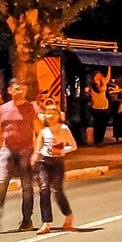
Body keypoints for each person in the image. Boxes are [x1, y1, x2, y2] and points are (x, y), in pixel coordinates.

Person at [0, 78, 41, 234]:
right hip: (7, 150)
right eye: (16, 88)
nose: (19, 91)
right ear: (10, 90)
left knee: (27, 187)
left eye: (22, 88)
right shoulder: (3, 109)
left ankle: (27, 220)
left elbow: (39, 132)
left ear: (25, 90)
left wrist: (37, 153)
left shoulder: (32, 108)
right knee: (0, 185)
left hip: (26, 150)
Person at [34, 99, 77, 234]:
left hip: (57, 162)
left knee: (57, 190)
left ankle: (68, 214)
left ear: (59, 115)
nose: (51, 116)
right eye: (48, 113)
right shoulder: (44, 130)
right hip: (44, 162)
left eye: (53, 113)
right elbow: (39, 147)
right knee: (44, 189)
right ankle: (46, 223)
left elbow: (73, 146)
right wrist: (36, 155)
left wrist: (62, 151)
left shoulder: (63, 129)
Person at [88, 68, 110, 146]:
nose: (99, 77)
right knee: (97, 124)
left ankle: (100, 140)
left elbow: (107, 78)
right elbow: (100, 89)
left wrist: (109, 68)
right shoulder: (93, 85)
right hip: (96, 107)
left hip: (104, 106)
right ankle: (97, 140)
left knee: (103, 125)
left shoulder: (102, 84)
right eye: (97, 76)